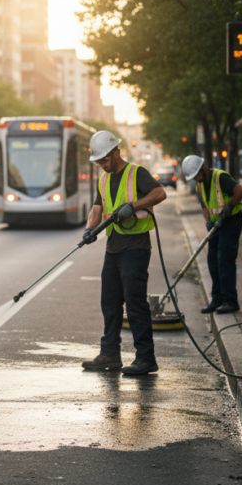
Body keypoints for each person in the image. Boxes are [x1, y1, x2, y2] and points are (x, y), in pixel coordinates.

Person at [80, 131, 168, 376]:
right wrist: (89, 230)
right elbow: (97, 209)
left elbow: (160, 193)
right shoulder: (103, 180)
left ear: (116, 153)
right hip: (114, 247)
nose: (102, 165)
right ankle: (110, 354)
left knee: (135, 302)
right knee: (109, 301)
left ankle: (146, 358)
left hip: (136, 247)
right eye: (98, 162)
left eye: (104, 161)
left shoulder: (136, 173)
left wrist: (135, 205)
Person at [181, 155, 242, 314]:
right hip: (216, 225)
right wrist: (208, 222)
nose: (197, 179)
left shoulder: (220, 177)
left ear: (203, 168)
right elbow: (204, 206)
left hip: (231, 222)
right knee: (212, 261)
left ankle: (230, 301)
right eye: (194, 177)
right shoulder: (200, 185)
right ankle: (217, 300)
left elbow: (240, 191)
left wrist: (230, 206)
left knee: (224, 260)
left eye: (197, 175)